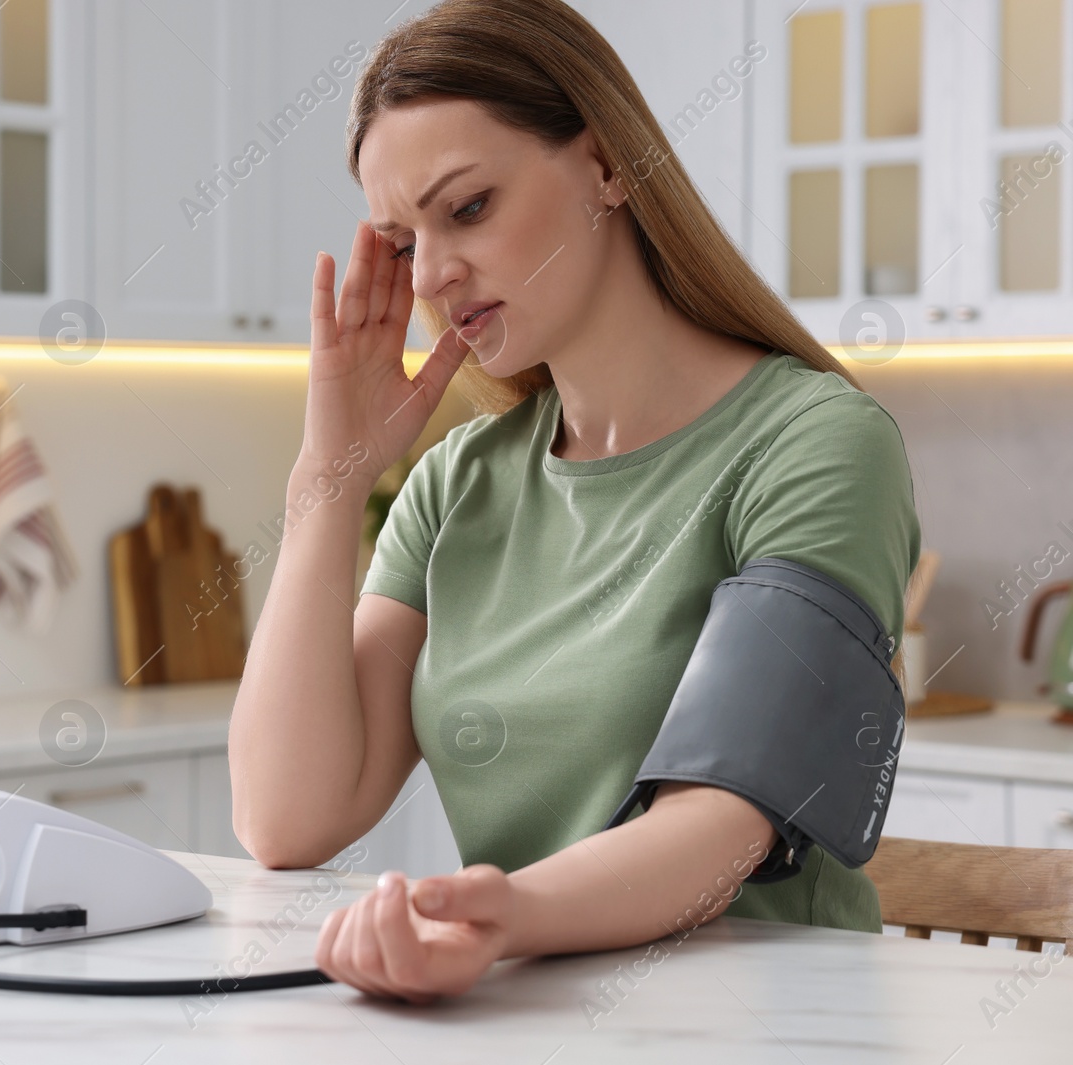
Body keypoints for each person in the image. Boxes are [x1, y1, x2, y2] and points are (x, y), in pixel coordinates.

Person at [226, 0, 922, 1004]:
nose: (433, 274)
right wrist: (325, 481)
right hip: (529, 1017)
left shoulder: (813, 443)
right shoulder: (454, 483)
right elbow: (287, 820)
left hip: (767, 1030)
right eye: (401, 238)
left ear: (604, 166)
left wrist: (493, 915)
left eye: (466, 208)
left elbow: (724, 818)